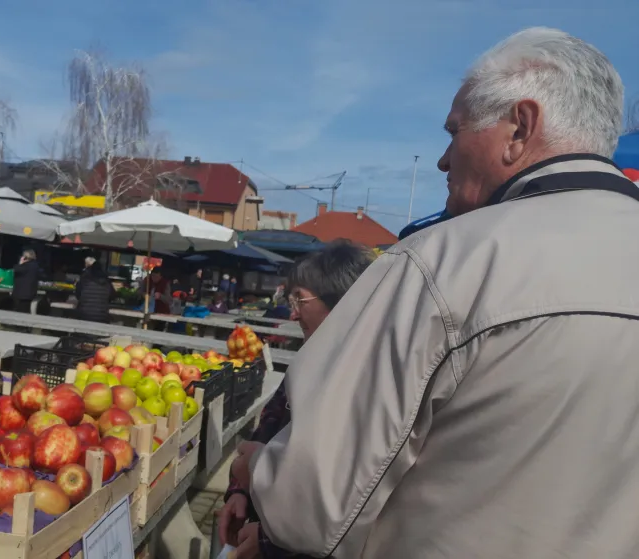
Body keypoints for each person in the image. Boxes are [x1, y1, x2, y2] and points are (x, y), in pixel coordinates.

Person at [232, 28, 639, 559]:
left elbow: (309, 508)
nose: (445, 160)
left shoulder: (443, 263)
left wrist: (253, 465)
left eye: (455, 131)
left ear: (521, 126)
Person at [217, 241, 374, 551]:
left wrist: (266, 541)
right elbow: (270, 425)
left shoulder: (362, 379)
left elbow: (339, 498)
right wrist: (240, 492)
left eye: (300, 300)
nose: (293, 313)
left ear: (340, 302)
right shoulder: (309, 361)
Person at [75, 258, 113, 323]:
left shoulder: (84, 281)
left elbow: (78, 295)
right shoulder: (107, 283)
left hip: (84, 314)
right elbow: (112, 296)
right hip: (102, 316)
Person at [12, 249, 40, 313]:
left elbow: (16, 270)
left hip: (22, 293)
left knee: (20, 310)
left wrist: (20, 263)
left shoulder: (25, 265)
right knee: (26, 309)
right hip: (30, 292)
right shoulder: (35, 265)